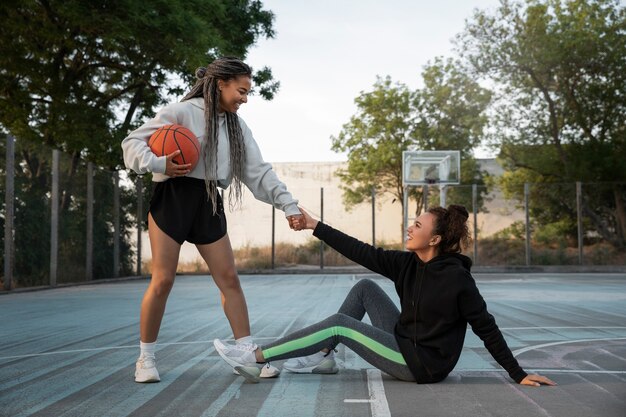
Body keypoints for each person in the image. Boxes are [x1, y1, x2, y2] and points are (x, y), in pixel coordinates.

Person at [213, 205, 557, 387]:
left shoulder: (457, 280)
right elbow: (359, 250)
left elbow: (486, 326)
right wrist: (314, 225)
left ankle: (256, 359)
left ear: (435, 240)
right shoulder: (408, 263)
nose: (410, 227)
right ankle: (320, 356)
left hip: (421, 365)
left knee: (340, 325)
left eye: (418, 226)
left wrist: (518, 373)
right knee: (365, 288)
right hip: (404, 341)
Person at [122, 56, 303, 383]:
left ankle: (246, 352)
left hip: (208, 201)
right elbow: (132, 143)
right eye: (242, 90)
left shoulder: (237, 127)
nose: (245, 99)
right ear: (221, 83)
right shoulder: (180, 112)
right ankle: (145, 359)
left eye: (248, 93)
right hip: (174, 196)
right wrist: (158, 163)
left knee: (229, 279)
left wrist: (289, 206)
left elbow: (258, 172)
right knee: (163, 280)